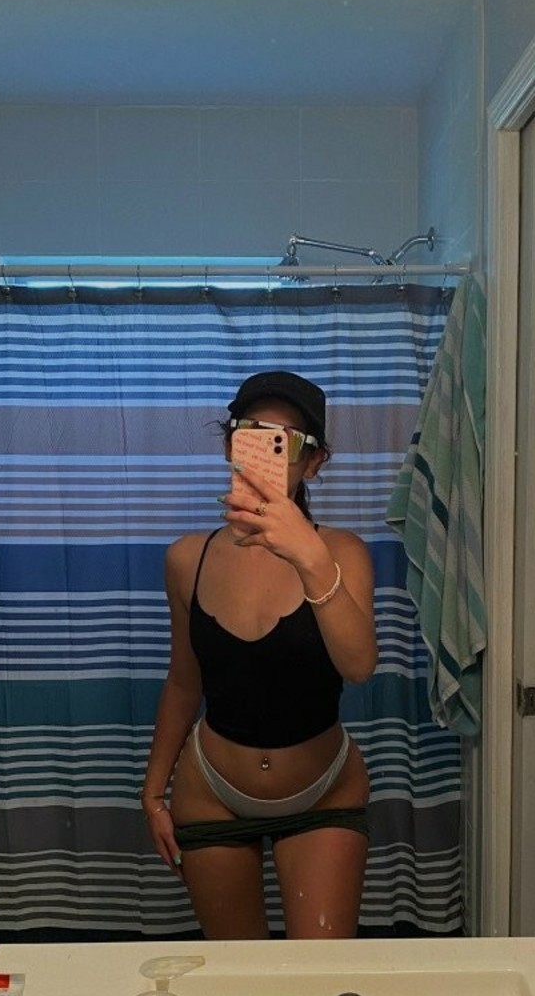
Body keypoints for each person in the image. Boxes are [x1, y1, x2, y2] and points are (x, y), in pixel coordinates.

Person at [140, 370, 377, 939]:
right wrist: (152, 794)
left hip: (324, 790)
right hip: (210, 790)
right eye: (251, 433)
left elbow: (359, 666)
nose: (265, 451)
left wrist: (309, 557)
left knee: (318, 976)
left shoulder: (341, 552)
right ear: (230, 446)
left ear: (313, 463)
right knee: (237, 975)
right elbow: (183, 682)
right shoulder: (186, 559)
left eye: (286, 441)